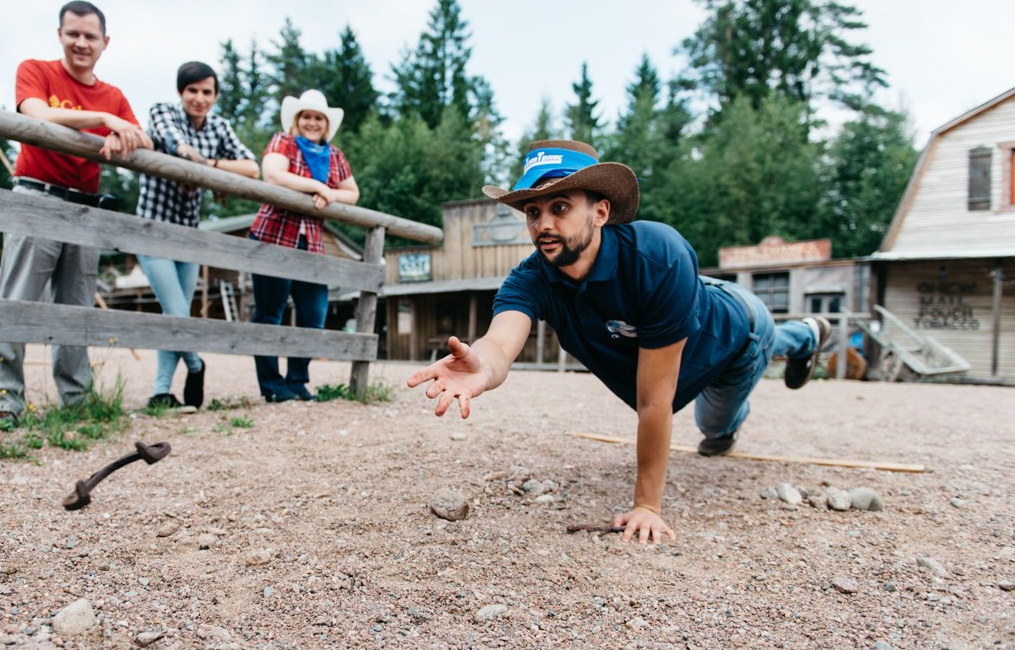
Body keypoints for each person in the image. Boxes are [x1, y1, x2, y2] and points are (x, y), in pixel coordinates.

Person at [407, 140, 830, 544]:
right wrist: (482, 363)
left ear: (601, 212)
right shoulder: (530, 279)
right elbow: (500, 341)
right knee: (712, 422)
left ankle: (804, 336)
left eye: (560, 207)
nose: (544, 225)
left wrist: (647, 504)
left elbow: (653, 401)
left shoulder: (660, 254)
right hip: (690, 301)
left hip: (738, 334)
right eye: (533, 212)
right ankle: (804, 335)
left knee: (715, 431)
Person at [0, 1, 151, 427]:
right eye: (73, 33)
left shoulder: (114, 94)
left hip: (84, 207)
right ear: (60, 35)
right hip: (36, 197)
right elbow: (35, 113)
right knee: (18, 302)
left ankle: (77, 401)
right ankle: (4, 403)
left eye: (90, 36)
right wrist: (101, 119)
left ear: (104, 43)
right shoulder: (37, 70)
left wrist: (122, 135)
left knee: (77, 308)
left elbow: (142, 138)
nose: (81, 42)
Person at [135, 61, 259, 410]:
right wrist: (211, 171)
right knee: (174, 310)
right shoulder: (163, 112)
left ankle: (161, 391)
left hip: (189, 233)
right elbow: (178, 148)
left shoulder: (219, 125)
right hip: (152, 228)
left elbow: (250, 166)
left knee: (176, 311)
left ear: (216, 96)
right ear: (180, 92)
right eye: (192, 90)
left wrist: (211, 169)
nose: (199, 98)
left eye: (207, 92)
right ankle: (195, 363)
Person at [249, 89, 359, 402]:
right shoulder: (283, 141)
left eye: (318, 118)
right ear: (298, 120)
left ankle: (297, 379)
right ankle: (271, 385)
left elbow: (352, 193)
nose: (312, 122)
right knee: (271, 313)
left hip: (310, 242)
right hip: (273, 235)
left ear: (326, 124)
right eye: (306, 116)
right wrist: (318, 187)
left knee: (314, 314)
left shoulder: (334, 155)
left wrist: (333, 195)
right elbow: (273, 174)